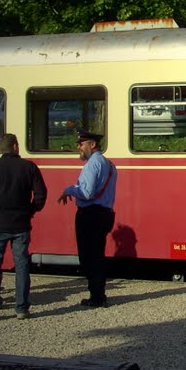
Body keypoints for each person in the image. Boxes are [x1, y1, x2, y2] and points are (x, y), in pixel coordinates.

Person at [0, 133, 47, 321]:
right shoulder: (29, 167)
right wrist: (30, 210)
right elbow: (41, 195)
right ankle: (21, 308)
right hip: (21, 224)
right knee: (22, 265)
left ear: (1, 148)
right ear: (15, 146)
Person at [57, 130, 117, 308]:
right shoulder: (109, 164)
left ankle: (96, 296)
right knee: (98, 255)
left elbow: (87, 193)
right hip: (105, 213)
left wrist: (69, 189)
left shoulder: (92, 164)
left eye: (82, 144)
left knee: (89, 257)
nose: (79, 147)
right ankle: (99, 294)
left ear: (92, 145)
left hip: (90, 214)